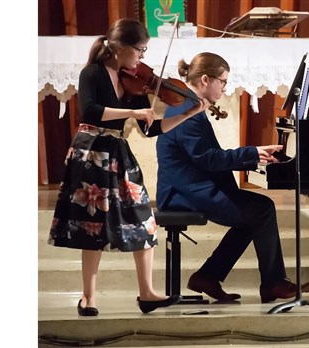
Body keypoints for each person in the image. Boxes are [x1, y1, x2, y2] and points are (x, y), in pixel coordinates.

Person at [47, 19, 209, 315]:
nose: (142, 57)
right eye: (140, 50)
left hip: (118, 152)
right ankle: (88, 298)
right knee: (91, 224)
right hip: (92, 152)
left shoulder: (135, 81)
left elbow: (151, 128)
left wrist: (188, 113)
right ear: (120, 47)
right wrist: (133, 111)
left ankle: (147, 293)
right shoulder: (92, 73)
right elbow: (91, 110)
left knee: (143, 218)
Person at [155, 52, 309, 303]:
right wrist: (252, 154)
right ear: (205, 79)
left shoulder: (190, 106)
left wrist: (252, 156)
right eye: (223, 81)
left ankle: (209, 276)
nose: (225, 88)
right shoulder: (188, 111)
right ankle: (272, 283)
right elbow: (207, 158)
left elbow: (207, 157)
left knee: (255, 212)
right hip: (185, 193)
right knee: (262, 210)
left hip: (192, 187)